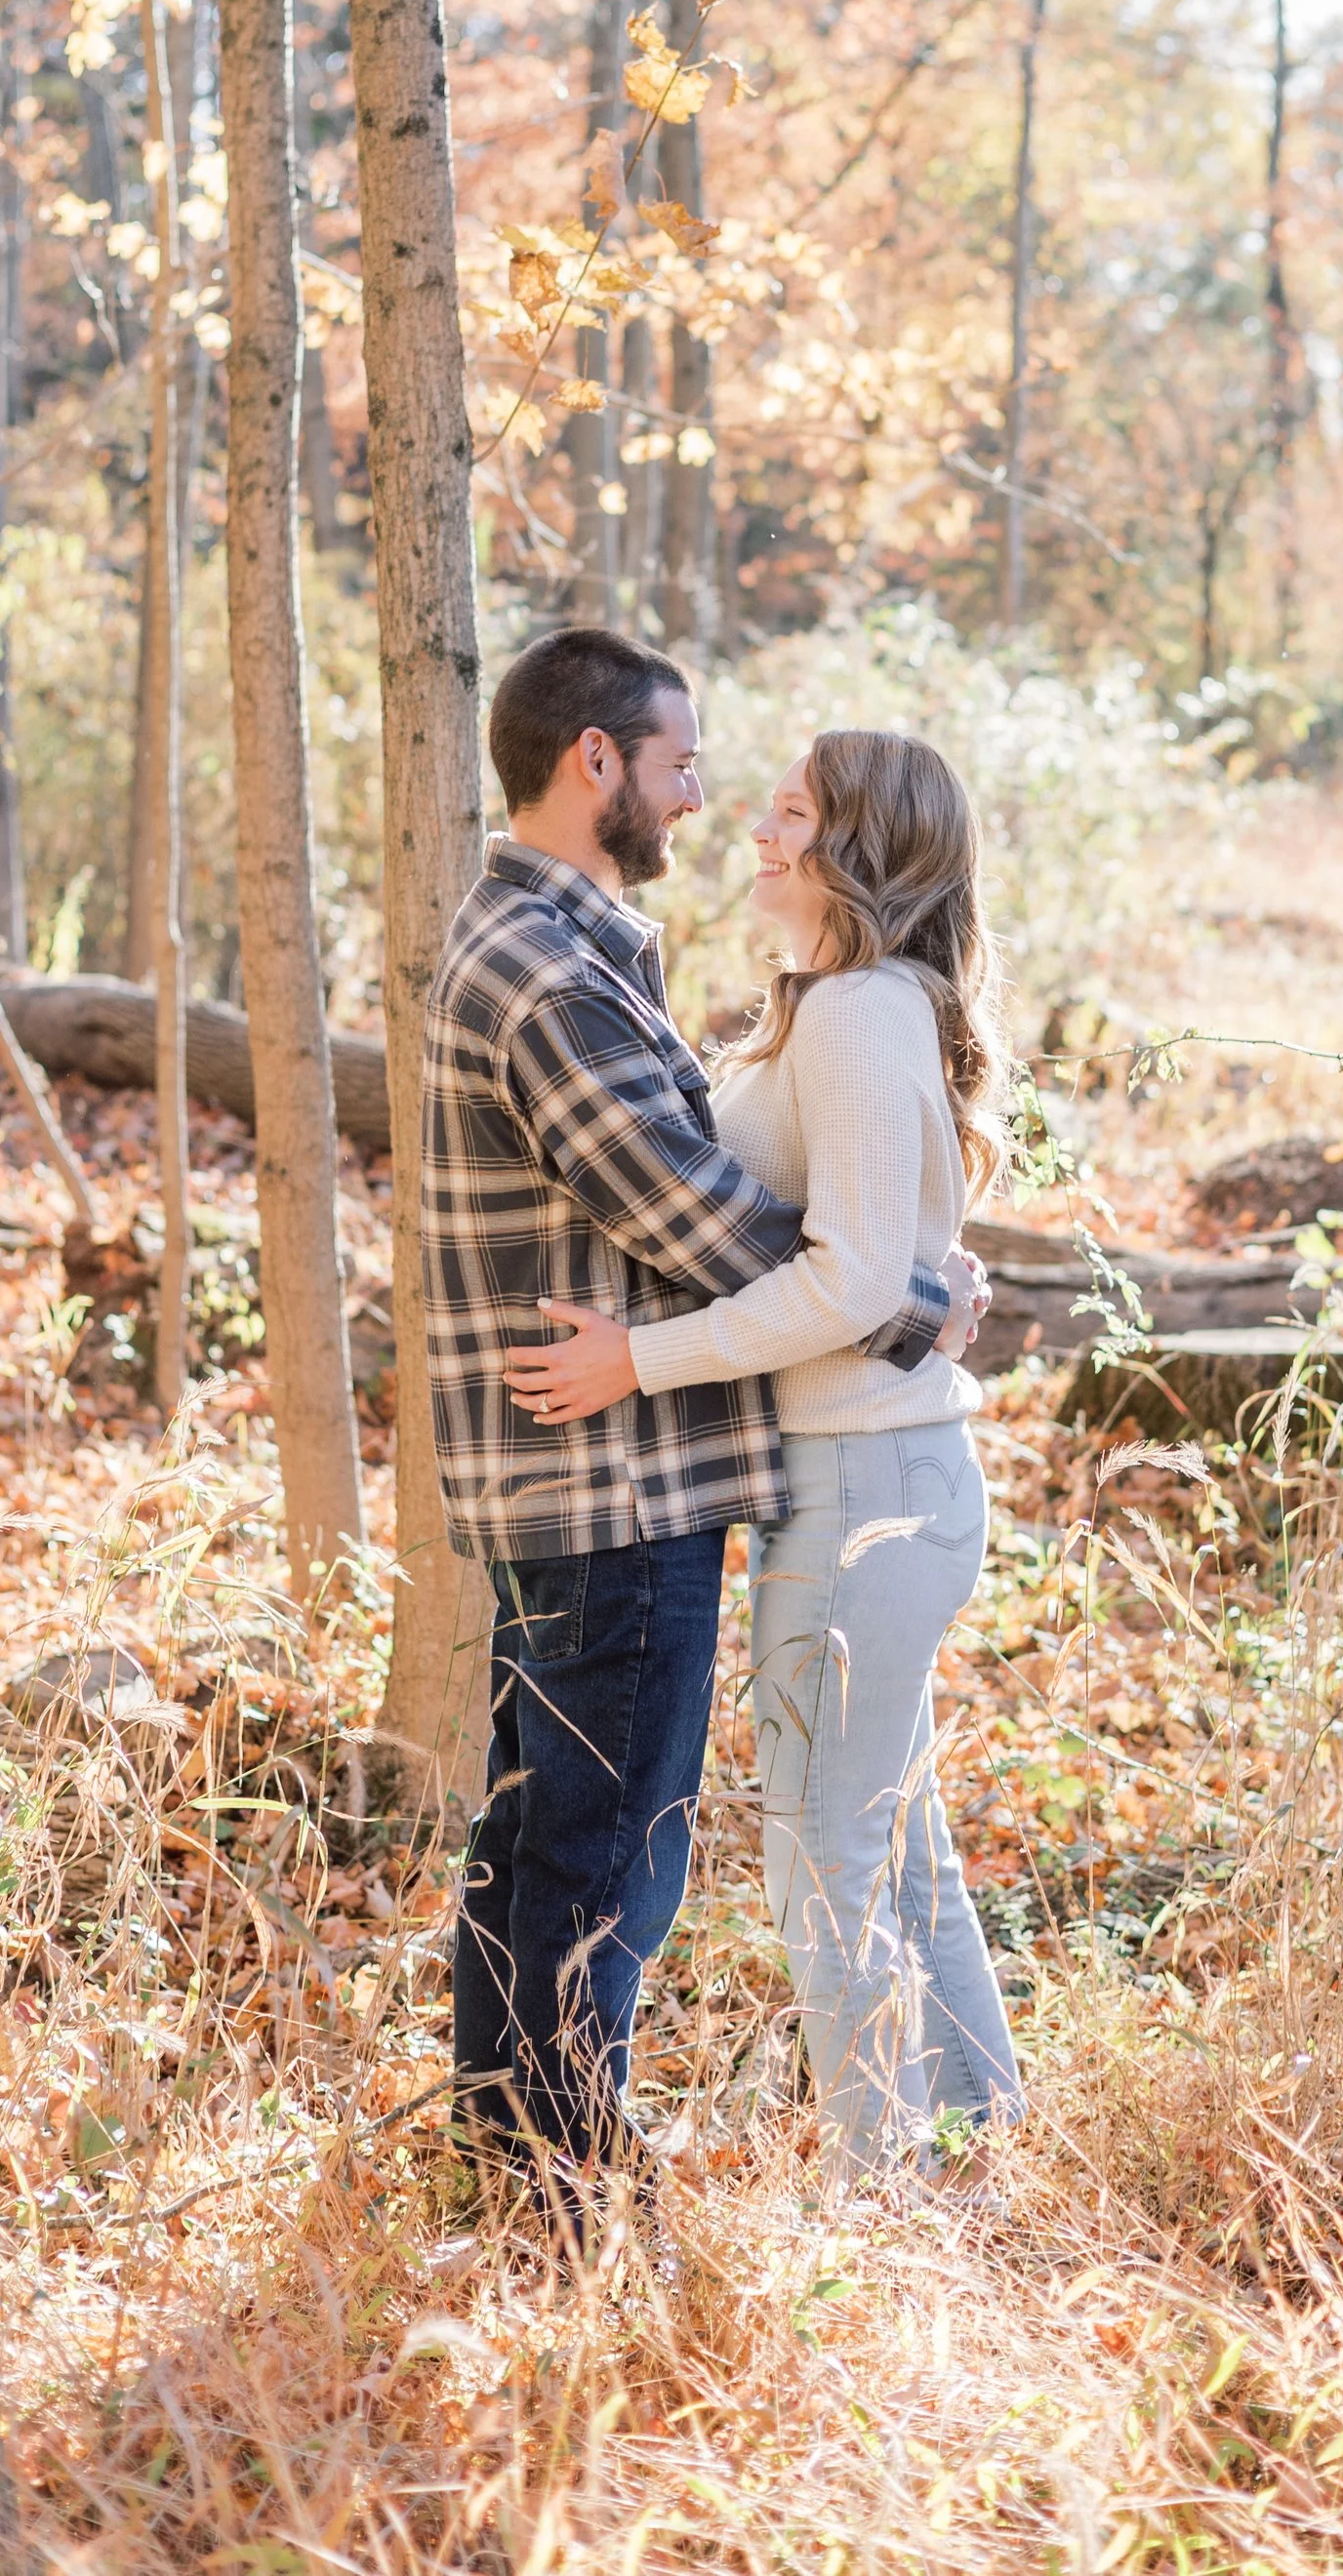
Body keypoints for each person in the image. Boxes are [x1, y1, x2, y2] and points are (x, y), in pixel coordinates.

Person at [421, 628, 975, 2218]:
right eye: (678, 763)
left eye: (761, 794)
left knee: (550, 1840)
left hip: (616, 1470)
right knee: (599, 1856)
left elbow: (792, 1201)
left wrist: (895, 1258)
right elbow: (705, 1213)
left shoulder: (569, 947)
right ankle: (561, 2191)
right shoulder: (546, 968)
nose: (704, 798)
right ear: (594, 761)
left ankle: (519, 2166)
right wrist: (914, 1293)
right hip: (606, 1483)